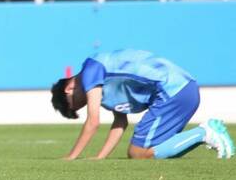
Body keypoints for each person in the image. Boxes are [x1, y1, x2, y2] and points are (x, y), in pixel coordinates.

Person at [51, 49, 235, 161]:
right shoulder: (102, 85)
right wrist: (100, 157)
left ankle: (204, 132)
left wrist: (71, 157)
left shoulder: (91, 71)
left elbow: (93, 122)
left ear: (69, 89)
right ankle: (204, 135)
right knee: (156, 150)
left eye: (76, 105)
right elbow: (120, 122)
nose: (83, 106)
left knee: (138, 153)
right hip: (186, 88)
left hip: (171, 91)